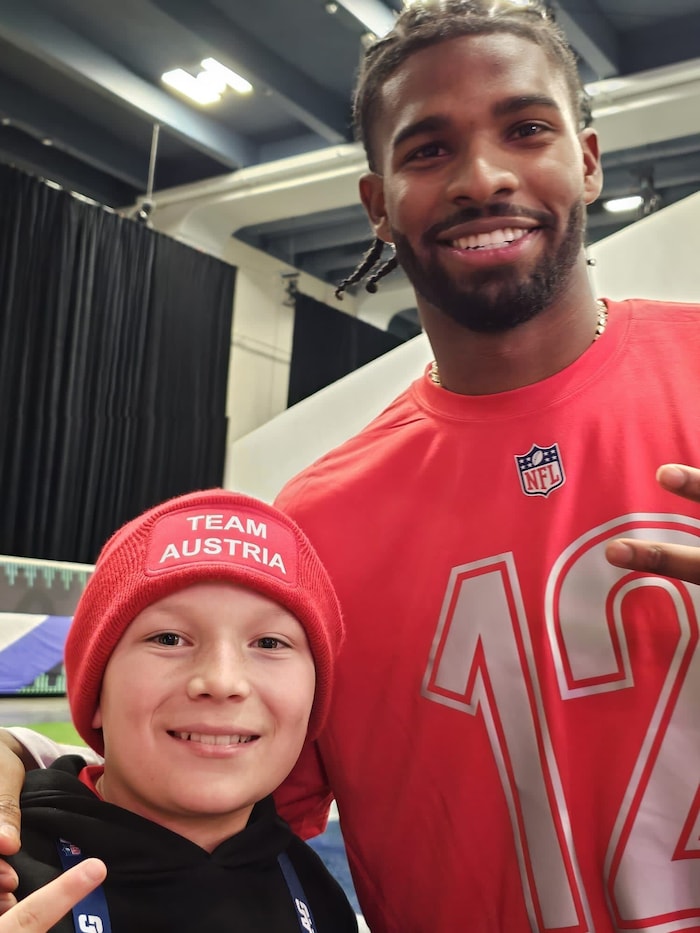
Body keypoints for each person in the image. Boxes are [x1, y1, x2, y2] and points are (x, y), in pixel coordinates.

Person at [0, 1, 700, 930]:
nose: (483, 177)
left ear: (589, 157)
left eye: (527, 129)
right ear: (377, 205)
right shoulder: (322, 523)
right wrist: (16, 764)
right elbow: (197, 794)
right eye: (427, 150)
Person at [0, 489, 356, 931]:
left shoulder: (319, 894)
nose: (223, 681)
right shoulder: (9, 876)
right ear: (97, 694)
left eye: (269, 643)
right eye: (168, 638)